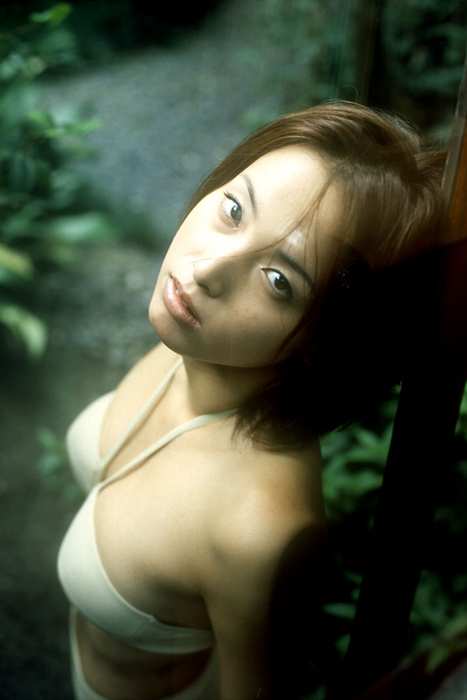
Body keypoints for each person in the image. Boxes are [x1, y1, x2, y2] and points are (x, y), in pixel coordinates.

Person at [57, 101, 445, 700]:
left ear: (328, 340)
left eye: (279, 281)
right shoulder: (197, 343)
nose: (206, 269)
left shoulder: (258, 531)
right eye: (235, 209)